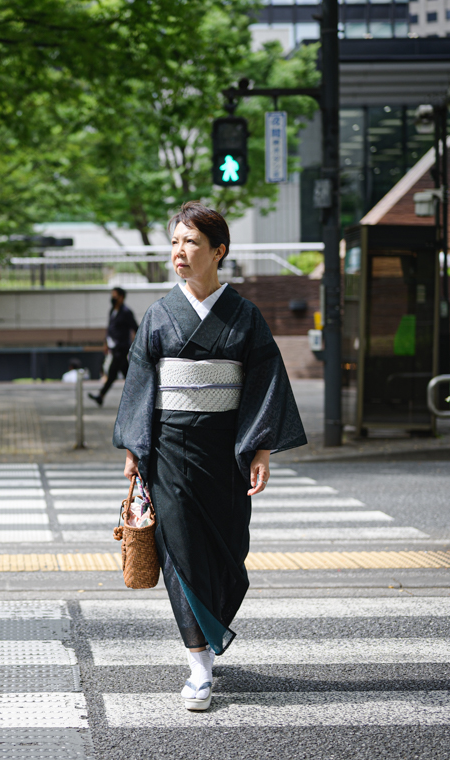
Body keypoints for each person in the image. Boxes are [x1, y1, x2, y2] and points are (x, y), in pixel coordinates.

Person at [113, 202, 306, 712]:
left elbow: (265, 381)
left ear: (218, 251)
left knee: (226, 552)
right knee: (180, 553)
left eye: (191, 242)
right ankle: (199, 663)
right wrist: (136, 448)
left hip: (226, 451)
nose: (179, 251)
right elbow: (139, 384)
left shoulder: (245, 315)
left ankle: (210, 629)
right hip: (169, 451)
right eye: (175, 241)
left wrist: (261, 446)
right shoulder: (158, 314)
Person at [89, 286, 138, 406]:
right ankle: (138, 394)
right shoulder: (112, 311)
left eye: (115, 296)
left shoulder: (126, 312)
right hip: (114, 347)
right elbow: (109, 329)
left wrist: (136, 345)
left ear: (121, 297)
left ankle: (101, 395)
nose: (112, 298)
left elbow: (135, 328)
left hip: (122, 348)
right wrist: (105, 343)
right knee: (123, 373)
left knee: (113, 373)